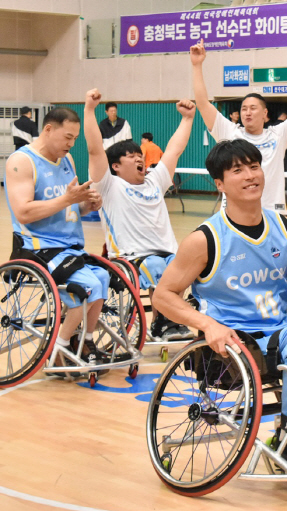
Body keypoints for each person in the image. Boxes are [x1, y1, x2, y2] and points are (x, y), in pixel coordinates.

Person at [152, 139, 287, 472]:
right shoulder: (205, 240)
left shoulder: (283, 225)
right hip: (236, 344)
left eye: (254, 166)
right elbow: (163, 295)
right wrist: (207, 324)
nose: (250, 175)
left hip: (281, 335)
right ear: (219, 183)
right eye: (237, 170)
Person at [84, 89, 194, 341]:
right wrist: (90, 110)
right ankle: (166, 322)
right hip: (129, 257)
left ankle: (164, 323)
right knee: (157, 268)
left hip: (167, 253)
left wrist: (187, 119)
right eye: (131, 156)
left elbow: (174, 150)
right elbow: (94, 150)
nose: (139, 159)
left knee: (186, 264)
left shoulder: (155, 180)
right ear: (115, 166)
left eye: (140, 155)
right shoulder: (108, 184)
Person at [5, 107, 107, 366]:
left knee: (104, 277)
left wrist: (86, 205)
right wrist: (67, 198)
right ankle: (59, 351)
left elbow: (68, 208)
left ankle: (85, 340)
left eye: (75, 139)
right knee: (89, 286)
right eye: (68, 137)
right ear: (48, 129)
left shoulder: (67, 160)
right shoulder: (21, 161)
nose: (72, 144)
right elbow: (24, 212)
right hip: (38, 247)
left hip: (69, 247)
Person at [190, 39, 287, 214]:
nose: (247, 113)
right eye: (243, 109)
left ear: (265, 114)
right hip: (235, 214)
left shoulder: (279, 134)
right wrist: (197, 65)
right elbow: (203, 103)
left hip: (273, 212)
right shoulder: (229, 132)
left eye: (252, 108)